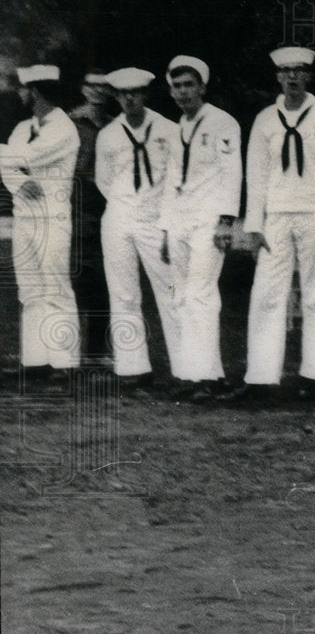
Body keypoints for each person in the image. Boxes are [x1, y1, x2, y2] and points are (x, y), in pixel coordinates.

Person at [227, 47, 315, 403]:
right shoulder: (266, 119)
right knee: (267, 294)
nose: (293, 77)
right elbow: (257, 174)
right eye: (286, 71)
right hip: (276, 216)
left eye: (299, 71)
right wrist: (253, 225)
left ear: (308, 76)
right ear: (277, 76)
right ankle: (262, 378)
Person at [158, 55, 242, 402]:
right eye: (176, 86)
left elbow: (232, 172)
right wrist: (164, 228)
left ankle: (208, 377)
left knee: (201, 295)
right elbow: (171, 181)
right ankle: (195, 373)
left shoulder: (223, 123)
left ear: (203, 87)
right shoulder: (178, 127)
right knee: (181, 297)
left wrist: (225, 221)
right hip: (179, 220)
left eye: (188, 84)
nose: (182, 92)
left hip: (209, 221)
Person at [96, 67, 181, 389]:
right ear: (116, 96)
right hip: (118, 218)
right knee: (123, 293)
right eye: (122, 93)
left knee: (170, 291)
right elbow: (105, 181)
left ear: (145, 94)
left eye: (135, 92)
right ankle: (133, 367)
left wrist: (162, 217)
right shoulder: (109, 134)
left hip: (156, 219)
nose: (129, 99)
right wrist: (125, 206)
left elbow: (176, 178)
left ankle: (184, 366)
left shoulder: (168, 129)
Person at [0, 64, 81, 381]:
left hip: (52, 218)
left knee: (56, 286)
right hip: (25, 217)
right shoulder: (22, 130)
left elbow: (23, 159)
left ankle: (64, 362)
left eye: (23, 90)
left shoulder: (63, 129)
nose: (20, 94)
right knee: (30, 289)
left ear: (34, 92)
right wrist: (20, 183)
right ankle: (36, 360)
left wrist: (10, 161)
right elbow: (9, 168)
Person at [68, 70, 115, 365]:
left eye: (103, 86)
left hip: (107, 210)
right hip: (73, 207)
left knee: (104, 283)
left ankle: (96, 353)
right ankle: (66, 354)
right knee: (73, 282)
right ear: (83, 89)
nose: (97, 91)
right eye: (92, 85)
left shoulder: (115, 126)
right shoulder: (69, 122)